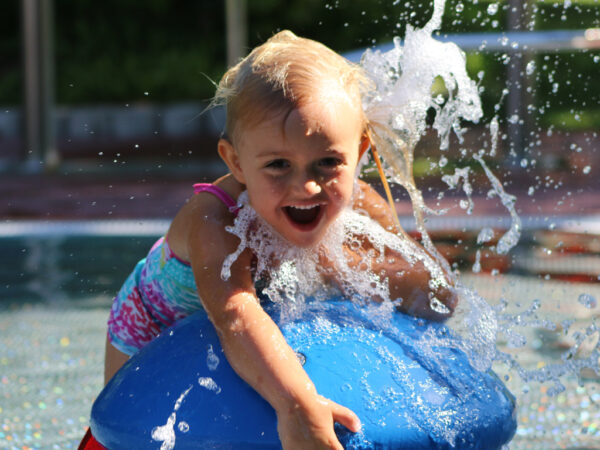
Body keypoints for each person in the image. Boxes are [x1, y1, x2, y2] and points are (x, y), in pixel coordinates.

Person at [80, 30, 457, 450]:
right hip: (152, 325)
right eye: (278, 165)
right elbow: (236, 313)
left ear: (360, 150)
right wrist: (297, 405)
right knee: (127, 433)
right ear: (236, 161)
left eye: (329, 163)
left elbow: (439, 292)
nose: (308, 187)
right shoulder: (216, 218)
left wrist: (347, 268)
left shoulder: (360, 204)